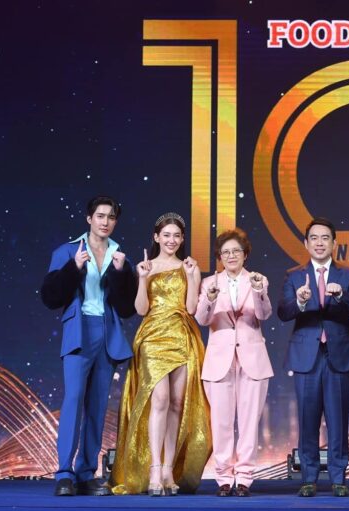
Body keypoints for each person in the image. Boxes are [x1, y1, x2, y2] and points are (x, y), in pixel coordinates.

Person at [40, 196, 137, 496]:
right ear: (89, 219)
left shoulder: (120, 256)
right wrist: (73, 268)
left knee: (97, 407)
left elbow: (127, 309)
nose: (105, 222)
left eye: (111, 217)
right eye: (100, 216)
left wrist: (121, 274)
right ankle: (64, 474)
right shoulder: (68, 251)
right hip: (79, 333)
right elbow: (50, 297)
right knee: (73, 400)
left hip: (107, 334)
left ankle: (86, 473)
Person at [110, 212, 212, 496]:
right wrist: (143, 279)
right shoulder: (146, 267)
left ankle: (168, 469)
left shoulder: (189, 267)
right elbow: (140, 309)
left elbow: (191, 308)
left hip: (181, 335)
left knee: (177, 403)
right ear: (156, 237)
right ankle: (154, 468)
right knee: (160, 399)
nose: (172, 240)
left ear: (182, 239)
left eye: (177, 236)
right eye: (166, 235)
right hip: (153, 337)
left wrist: (191, 276)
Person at [277, 217, 349, 497]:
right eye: (314, 238)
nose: (319, 243)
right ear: (306, 243)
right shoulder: (294, 276)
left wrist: (341, 296)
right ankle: (309, 478)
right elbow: (283, 312)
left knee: (338, 420)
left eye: (325, 238)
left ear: (334, 243)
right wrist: (301, 301)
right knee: (307, 419)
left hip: (338, 355)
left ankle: (338, 478)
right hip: (306, 357)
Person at [195, 228, 274, 497]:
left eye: (236, 251)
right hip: (219, 360)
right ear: (219, 256)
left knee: (249, 423)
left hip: (253, 359)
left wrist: (260, 292)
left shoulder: (257, 279)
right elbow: (202, 319)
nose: (231, 256)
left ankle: (244, 478)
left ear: (245, 254)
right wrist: (209, 299)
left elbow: (263, 314)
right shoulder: (209, 283)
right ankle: (223, 478)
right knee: (221, 422)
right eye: (225, 252)